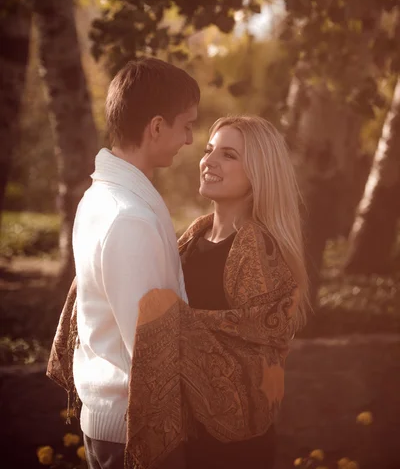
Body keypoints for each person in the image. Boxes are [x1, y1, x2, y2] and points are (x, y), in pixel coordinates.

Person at [123, 115, 309, 469]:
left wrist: (167, 321)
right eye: (208, 151)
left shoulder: (258, 248)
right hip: (186, 432)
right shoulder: (194, 237)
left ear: (259, 172)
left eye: (229, 155)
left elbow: (254, 342)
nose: (208, 161)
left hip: (231, 444)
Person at [48, 57, 199, 469]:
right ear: (155, 127)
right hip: (136, 426)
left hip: (117, 420)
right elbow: (149, 349)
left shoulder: (105, 197)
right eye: (186, 125)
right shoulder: (127, 215)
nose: (189, 139)